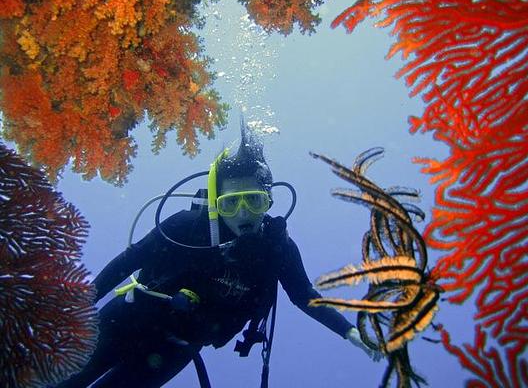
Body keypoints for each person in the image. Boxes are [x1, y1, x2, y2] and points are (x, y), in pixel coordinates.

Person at [55, 120, 379, 388]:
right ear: (215, 203)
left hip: (175, 351)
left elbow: (304, 296)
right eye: (229, 204)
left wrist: (349, 332)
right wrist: (77, 309)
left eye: (253, 201)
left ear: (269, 201)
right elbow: (130, 260)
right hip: (124, 320)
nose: (242, 214)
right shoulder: (187, 226)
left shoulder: (277, 250)